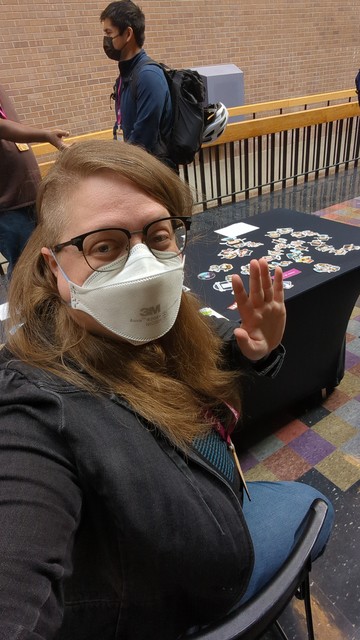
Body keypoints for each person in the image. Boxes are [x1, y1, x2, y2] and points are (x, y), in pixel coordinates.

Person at [0, 139, 334, 640]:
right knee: (313, 507)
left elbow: (181, 379)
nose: (142, 267)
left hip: (211, 506)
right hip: (192, 585)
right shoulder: (36, 402)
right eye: (105, 246)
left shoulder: (168, 325)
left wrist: (251, 354)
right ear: (54, 268)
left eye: (158, 236)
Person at [0, 84, 69, 276]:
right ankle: (24, 307)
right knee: (25, 266)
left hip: (28, 195)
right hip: (7, 205)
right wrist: (44, 135)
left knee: (43, 259)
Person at [100, 0, 174, 168]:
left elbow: (143, 140)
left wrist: (117, 167)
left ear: (128, 34)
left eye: (109, 32)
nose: (106, 40)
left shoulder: (148, 76)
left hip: (154, 175)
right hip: (137, 171)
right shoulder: (126, 76)